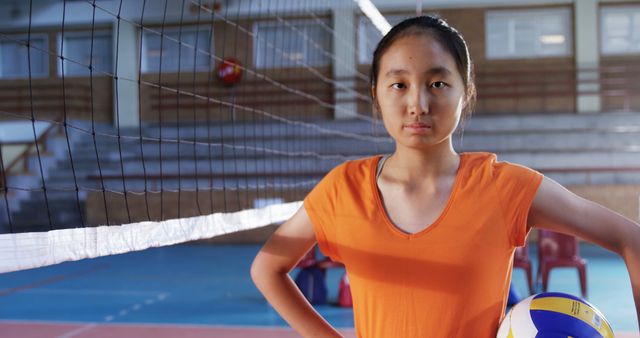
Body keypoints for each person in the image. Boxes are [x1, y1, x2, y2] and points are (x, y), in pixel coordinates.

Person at [250, 15, 640, 337]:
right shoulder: (342, 189)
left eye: (438, 83)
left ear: (465, 93)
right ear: (375, 94)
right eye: (399, 84)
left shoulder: (505, 187)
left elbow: (630, 237)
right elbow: (267, 268)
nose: (418, 103)